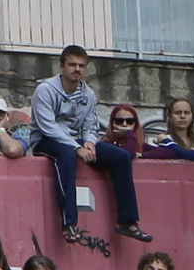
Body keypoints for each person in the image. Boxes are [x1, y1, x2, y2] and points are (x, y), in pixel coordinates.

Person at [29, 46, 149, 253]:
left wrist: (90, 142)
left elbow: (90, 125)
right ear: (62, 66)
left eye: (81, 66)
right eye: (72, 65)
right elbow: (48, 126)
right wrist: (77, 148)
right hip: (46, 140)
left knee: (120, 157)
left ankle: (127, 222)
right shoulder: (45, 90)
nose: (77, 69)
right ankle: (69, 223)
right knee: (66, 156)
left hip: (77, 141)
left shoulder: (89, 95)